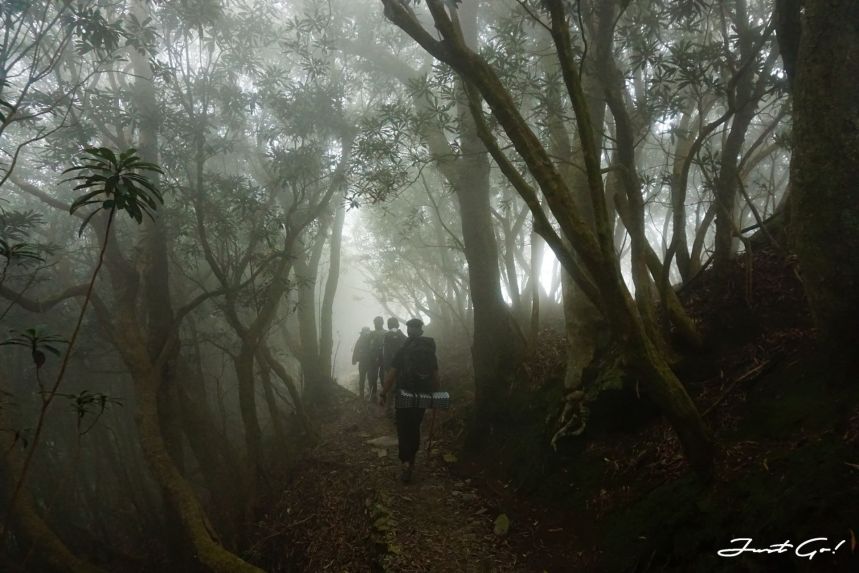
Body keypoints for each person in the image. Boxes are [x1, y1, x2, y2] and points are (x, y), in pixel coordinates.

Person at [379, 318, 439, 483]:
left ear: (408, 330)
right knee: (415, 426)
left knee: (403, 428)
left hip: (404, 395)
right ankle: (411, 457)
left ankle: (406, 461)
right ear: (421, 330)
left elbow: (391, 375)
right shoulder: (429, 350)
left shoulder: (403, 350)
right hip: (423, 395)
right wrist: (435, 394)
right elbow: (435, 375)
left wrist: (383, 392)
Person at [366, 316, 386, 401]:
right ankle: (373, 395)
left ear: (381, 323)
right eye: (375, 323)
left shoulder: (386, 333)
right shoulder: (372, 333)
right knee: (372, 377)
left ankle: (384, 396)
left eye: (377, 323)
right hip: (373, 358)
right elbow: (367, 345)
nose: (375, 325)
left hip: (383, 358)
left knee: (382, 377)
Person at [351, 327, 373, 399]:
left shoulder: (361, 339)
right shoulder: (371, 338)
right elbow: (356, 348)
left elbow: (356, 349)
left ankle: (362, 395)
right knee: (369, 378)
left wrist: (354, 360)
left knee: (363, 378)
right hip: (369, 361)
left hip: (364, 361)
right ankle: (371, 394)